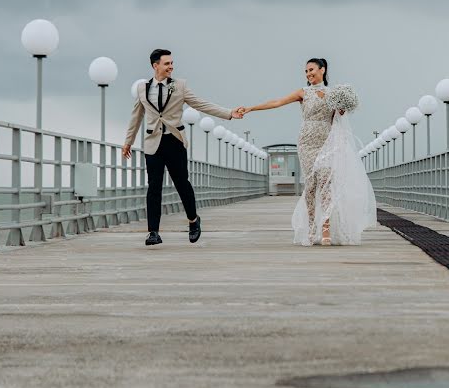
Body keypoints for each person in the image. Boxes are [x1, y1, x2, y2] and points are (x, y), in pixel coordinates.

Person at [238, 58, 376, 245]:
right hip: (307, 142)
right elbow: (278, 102)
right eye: (306, 71)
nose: (308, 74)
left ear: (322, 70)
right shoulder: (303, 93)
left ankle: (326, 229)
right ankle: (312, 226)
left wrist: (342, 109)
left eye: (311, 69)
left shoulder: (333, 94)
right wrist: (251, 108)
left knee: (327, 182)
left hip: (328, 141)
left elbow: (338, 118)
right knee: (311, 185)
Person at [123, 49, 243, 246]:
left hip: (174, 141)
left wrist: (229, 113)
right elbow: (136, 116)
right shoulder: (143, 88)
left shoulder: (179, 86)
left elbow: (201, 104)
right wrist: (128, 141)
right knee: (154, 187)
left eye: (172, 63)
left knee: (182, 184)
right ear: (155, 66)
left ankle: (193, 221)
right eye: (167, 63)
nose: (171, 66)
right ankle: (153, 232)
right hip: (153, 143)